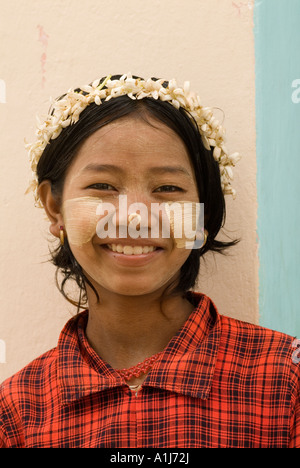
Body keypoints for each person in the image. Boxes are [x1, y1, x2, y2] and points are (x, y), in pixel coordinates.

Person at [0, 74, 299, 448]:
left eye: (167, 189)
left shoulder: (287, 378)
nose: (135, 217)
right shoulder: (15, 412)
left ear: (202, 215)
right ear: (55, 205)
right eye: (103, 186)